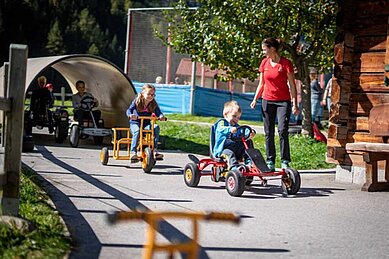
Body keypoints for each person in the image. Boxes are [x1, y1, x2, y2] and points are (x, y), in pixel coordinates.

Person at [250, 37, 299, 171]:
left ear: (272, 49)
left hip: (283, 102)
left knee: (282, 130)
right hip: (267, 100)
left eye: (265, 49)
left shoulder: (286, 63)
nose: (263, 52)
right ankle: (270, 160)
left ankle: (285, 160)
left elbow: (292, 85)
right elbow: (261, 84)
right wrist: (255, 99)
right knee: (268, 132)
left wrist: (295, 103)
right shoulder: (264, 63)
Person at [126, 83, 166, 161]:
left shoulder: (153, 103)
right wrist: (130, 115)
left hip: (146, 124)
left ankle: (154, 150)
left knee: (155, 127)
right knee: (137, 131)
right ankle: (133, 152)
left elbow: (158, 112)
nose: (150, 96)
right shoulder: (137, 101)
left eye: (153, 94)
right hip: (135, 123)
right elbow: (129, 110)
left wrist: (161, 116)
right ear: (142, 93)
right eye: (148, 94)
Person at [213, 100, 255, 170]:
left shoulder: (236, 126)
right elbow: (221, 129)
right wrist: (229, 129)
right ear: (225, 114)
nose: (236, 119)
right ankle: (234, 168)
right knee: (230, 154)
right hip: (224, 149)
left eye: (238, 117)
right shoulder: (222, 122)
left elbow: (243, 131)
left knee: (248, 141)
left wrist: (250, 133)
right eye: (234, 116)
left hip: (236, 149)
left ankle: (249, 161)